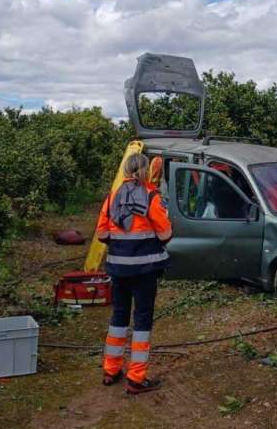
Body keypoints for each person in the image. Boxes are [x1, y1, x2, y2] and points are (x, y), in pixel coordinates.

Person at [96, 153, 172, 394]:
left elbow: (101, 234)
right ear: (145, 170)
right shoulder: (151, 196)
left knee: (118, 317)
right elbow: (165, 234)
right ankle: (136, 378)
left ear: (126, 171)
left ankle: (111, 370)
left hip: (118, 269)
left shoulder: (112, 197)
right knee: (142, 320)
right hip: (146, 271)